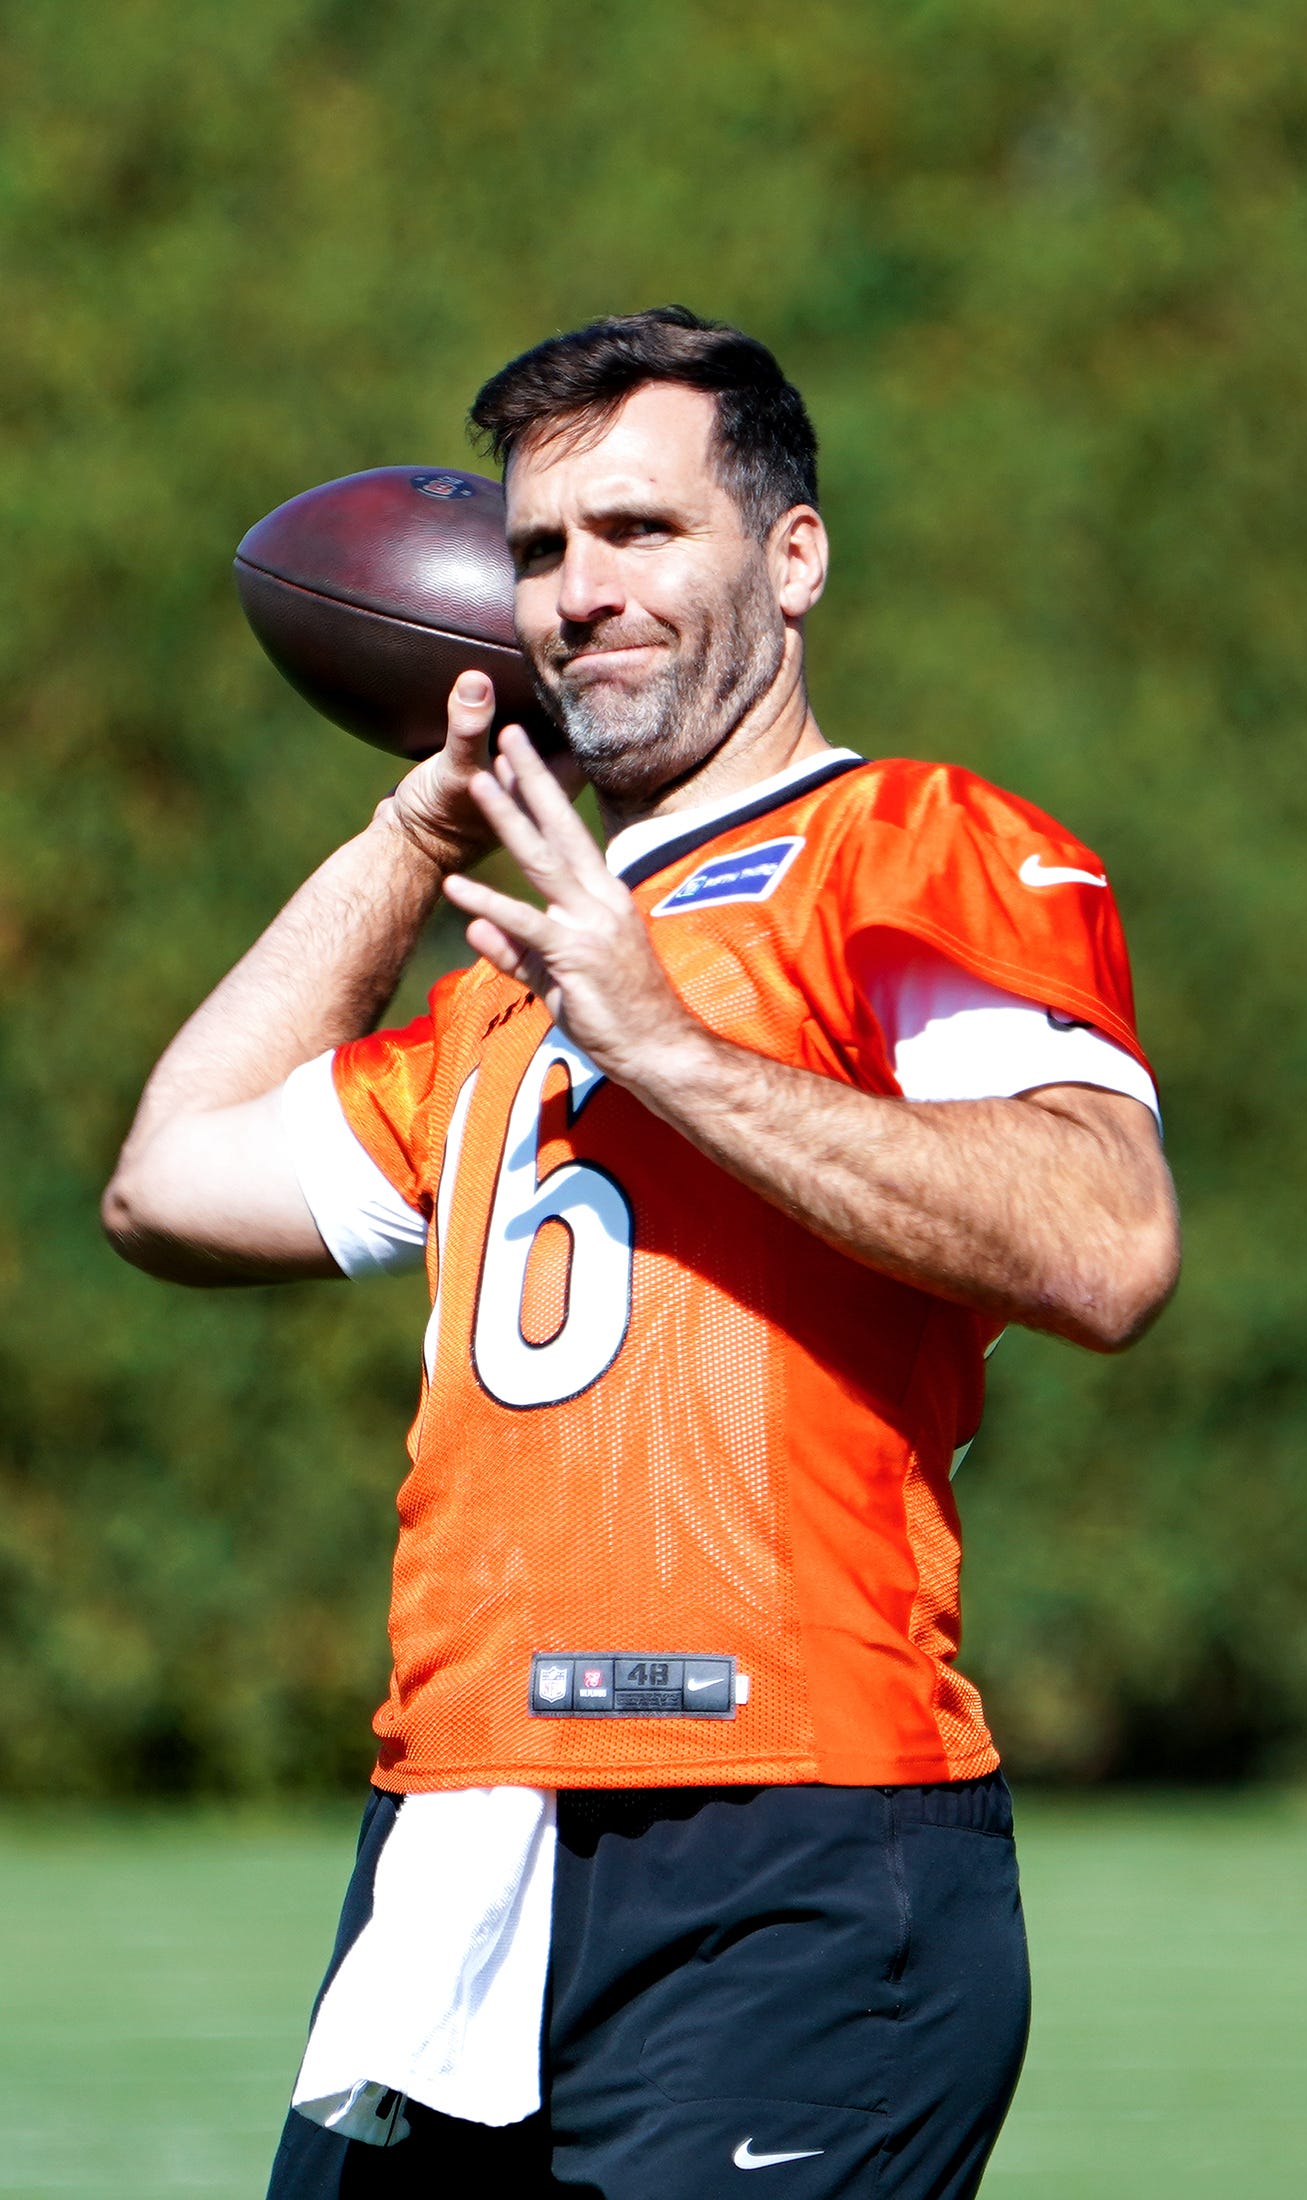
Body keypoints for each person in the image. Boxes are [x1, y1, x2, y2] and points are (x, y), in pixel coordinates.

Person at [103, 307, 1179, 2196]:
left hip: (789, 1839)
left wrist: (668, 1045)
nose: (582, 590)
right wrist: (414, 827)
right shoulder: (513, 988)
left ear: (793, 555)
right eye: (540, 550)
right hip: (465, 1831)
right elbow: (168, 1184)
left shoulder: (909, 844)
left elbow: (1108, 1242)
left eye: (641, 530)